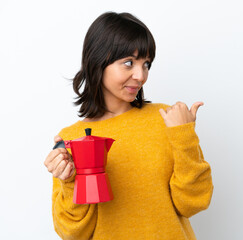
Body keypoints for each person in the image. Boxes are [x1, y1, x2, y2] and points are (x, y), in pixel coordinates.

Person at [44, 11, 213, 240]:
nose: (140, 75)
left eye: (146, 64)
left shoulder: (165, 119)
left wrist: (184, 137)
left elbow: (193, 202)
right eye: (128, 63)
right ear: (98, 61)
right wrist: (69, 181)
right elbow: (73, 233)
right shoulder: (70, 140)